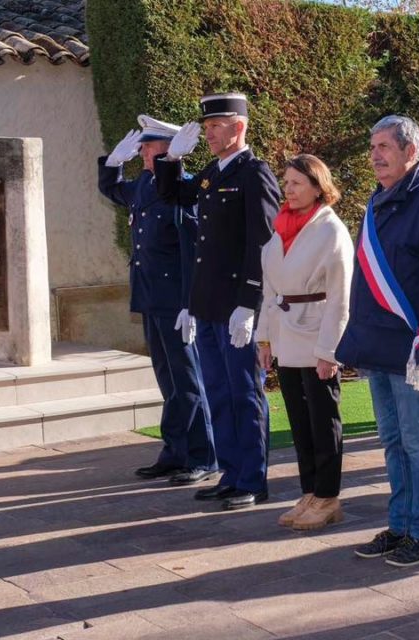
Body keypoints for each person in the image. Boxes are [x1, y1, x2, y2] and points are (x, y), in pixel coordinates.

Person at [337, 115, 419, 567]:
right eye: (372, 146)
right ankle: (400, 527)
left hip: (414, 350)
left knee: (418, 442)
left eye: (384, 147)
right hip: (379, 347)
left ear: (411, 151)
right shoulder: (379, 200)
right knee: (392, 441)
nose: (375, 155)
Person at [154, 92, 279, 510]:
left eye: (213, 127)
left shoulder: (254, 173)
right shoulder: (212, 173)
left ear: (237, 127)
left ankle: (252, 479)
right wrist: (170, 161)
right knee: (218, 392)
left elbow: (262, 243)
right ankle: (230, 472)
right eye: (205, 127)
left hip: (236, 308)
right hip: (208, 305)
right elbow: (176, 197)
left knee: (244, 394)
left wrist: (250, 301)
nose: (207, 134)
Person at [97, 116, 216, 483]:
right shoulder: (147, 184)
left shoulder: (182, 188)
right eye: (144, 148)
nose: (143, 154)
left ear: (168, 149)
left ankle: (202, 456)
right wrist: (111, 165)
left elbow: (191, 250)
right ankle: (175, 451)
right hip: (150, 296)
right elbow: (115, 192)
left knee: (189, 380)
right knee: (168, 379)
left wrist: (190, 302)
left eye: (148, 148)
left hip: (176, 301)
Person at [257, 154, 353, 531]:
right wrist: (264, 338)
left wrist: (330, 351)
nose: (288, 189)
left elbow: (341, 296)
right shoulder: (281, 225)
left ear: (317, 185)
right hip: (285, 333)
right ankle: (310, 492)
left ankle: (328, 497)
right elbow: (269, 287)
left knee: (323, 419)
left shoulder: (331, 230)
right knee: (299, 421)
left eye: (296, 182)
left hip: (316, 335)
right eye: (287, 182)